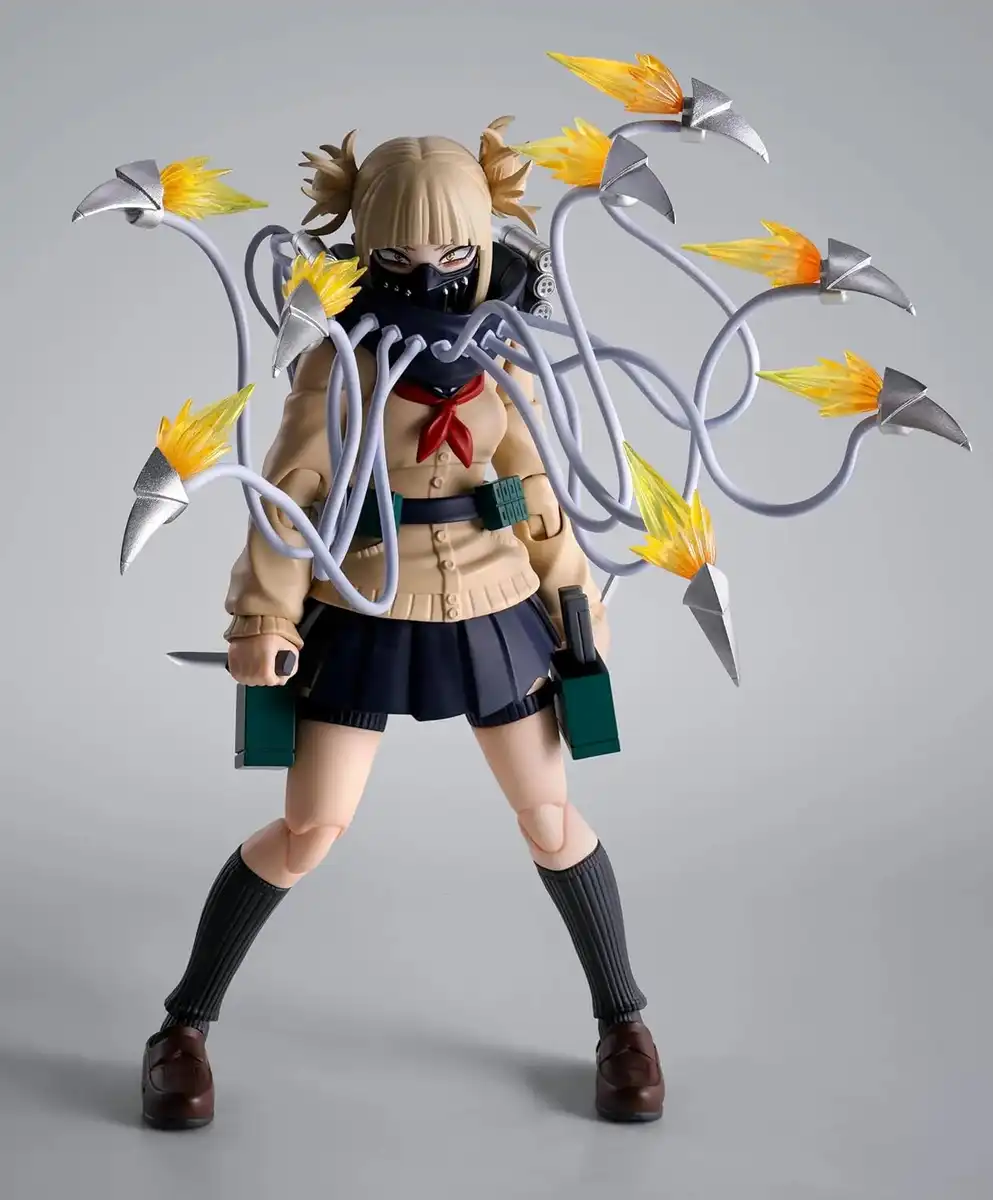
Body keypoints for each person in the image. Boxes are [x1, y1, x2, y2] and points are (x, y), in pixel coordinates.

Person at [140, 118, 663, 1129]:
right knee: (308, 829)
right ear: (366, 252)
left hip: (491, 604)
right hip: (367, 604)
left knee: (551, 819)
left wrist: (575, 598)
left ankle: (625, 1021)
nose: (427, 275)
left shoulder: (505, 360)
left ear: (484, 247)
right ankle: (182, 1027)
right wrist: (262, 613)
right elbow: (290, 498)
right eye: (400, 257)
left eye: (452, 255)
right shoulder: (337, 363)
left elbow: (537, 492)